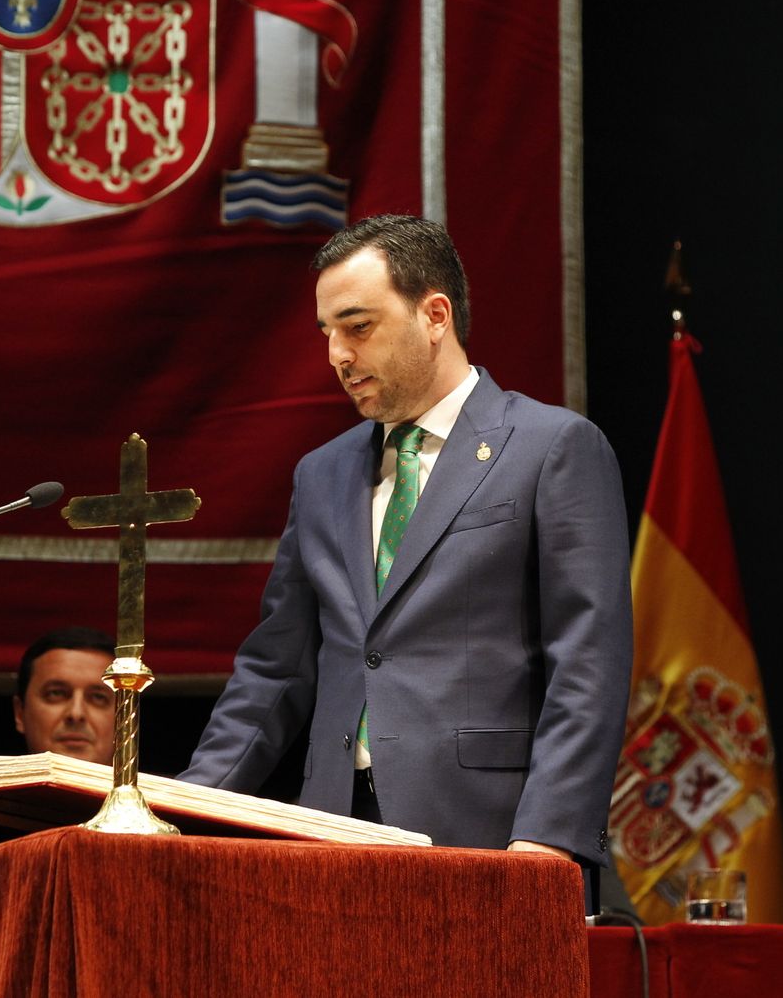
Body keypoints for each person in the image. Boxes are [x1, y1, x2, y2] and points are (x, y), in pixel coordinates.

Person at [179, 214, 633, 872]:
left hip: (492, 838)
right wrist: (182, 812)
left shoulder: (551, 447)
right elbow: (275, 672)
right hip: (331, 836)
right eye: (327, 333)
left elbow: (588, 660)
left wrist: (548, 838)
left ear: (436, 315)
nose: (337, 355)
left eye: (358, 327)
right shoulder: (322, 473)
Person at [13, 627, 117, 766]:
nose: (76, 713)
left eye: (98, 697)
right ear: (20, 713)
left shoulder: (156, 788)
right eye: (56, 693)